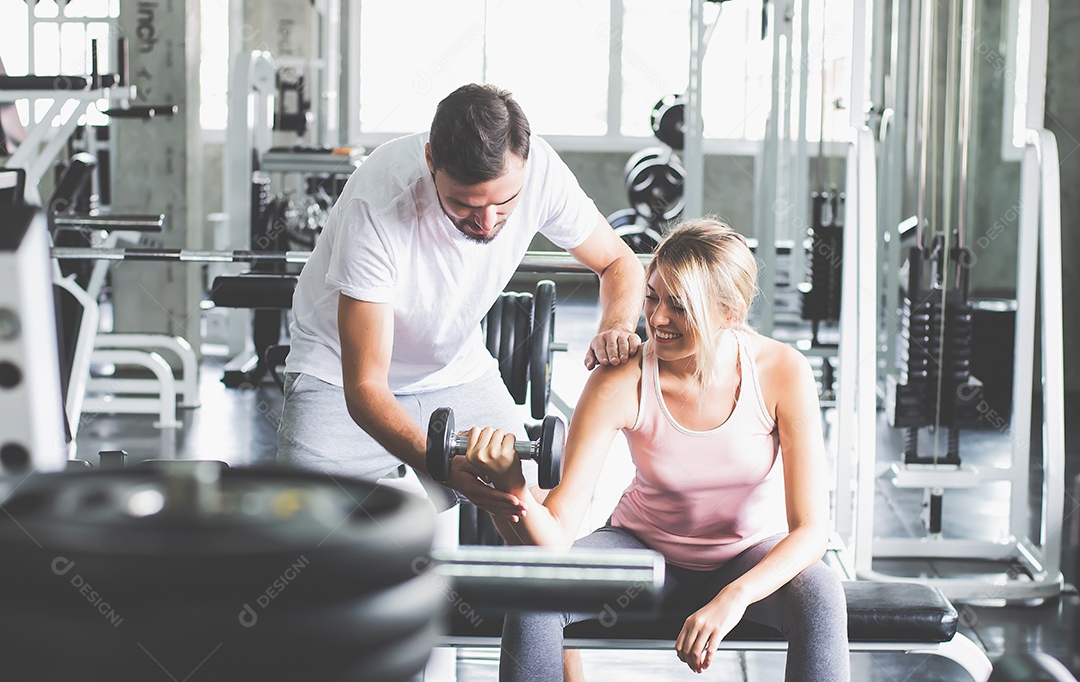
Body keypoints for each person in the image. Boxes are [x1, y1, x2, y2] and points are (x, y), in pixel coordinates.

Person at [464, 216, 851, 681]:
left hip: (747, 553)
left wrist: (734, 597)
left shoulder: (782, 371)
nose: (658, 318)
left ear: (732, 312)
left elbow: (812, 531)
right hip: (643, 552)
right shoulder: (619, 379)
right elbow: (558, 534)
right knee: (535, 594)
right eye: (652, 297)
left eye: (680, 306)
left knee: (820, 594)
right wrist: (514, 494)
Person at [277, 83, 645, 518]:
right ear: (431, 160)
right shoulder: (378, 203)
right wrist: (445, 468)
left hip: (455, 371)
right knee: (302, 528)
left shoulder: (541, 172)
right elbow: (366, 388)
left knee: (539, 516)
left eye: (505, 203)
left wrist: (617, 325)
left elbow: (619, 261)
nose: (487, 223)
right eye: (464, 204)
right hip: (338, 377)